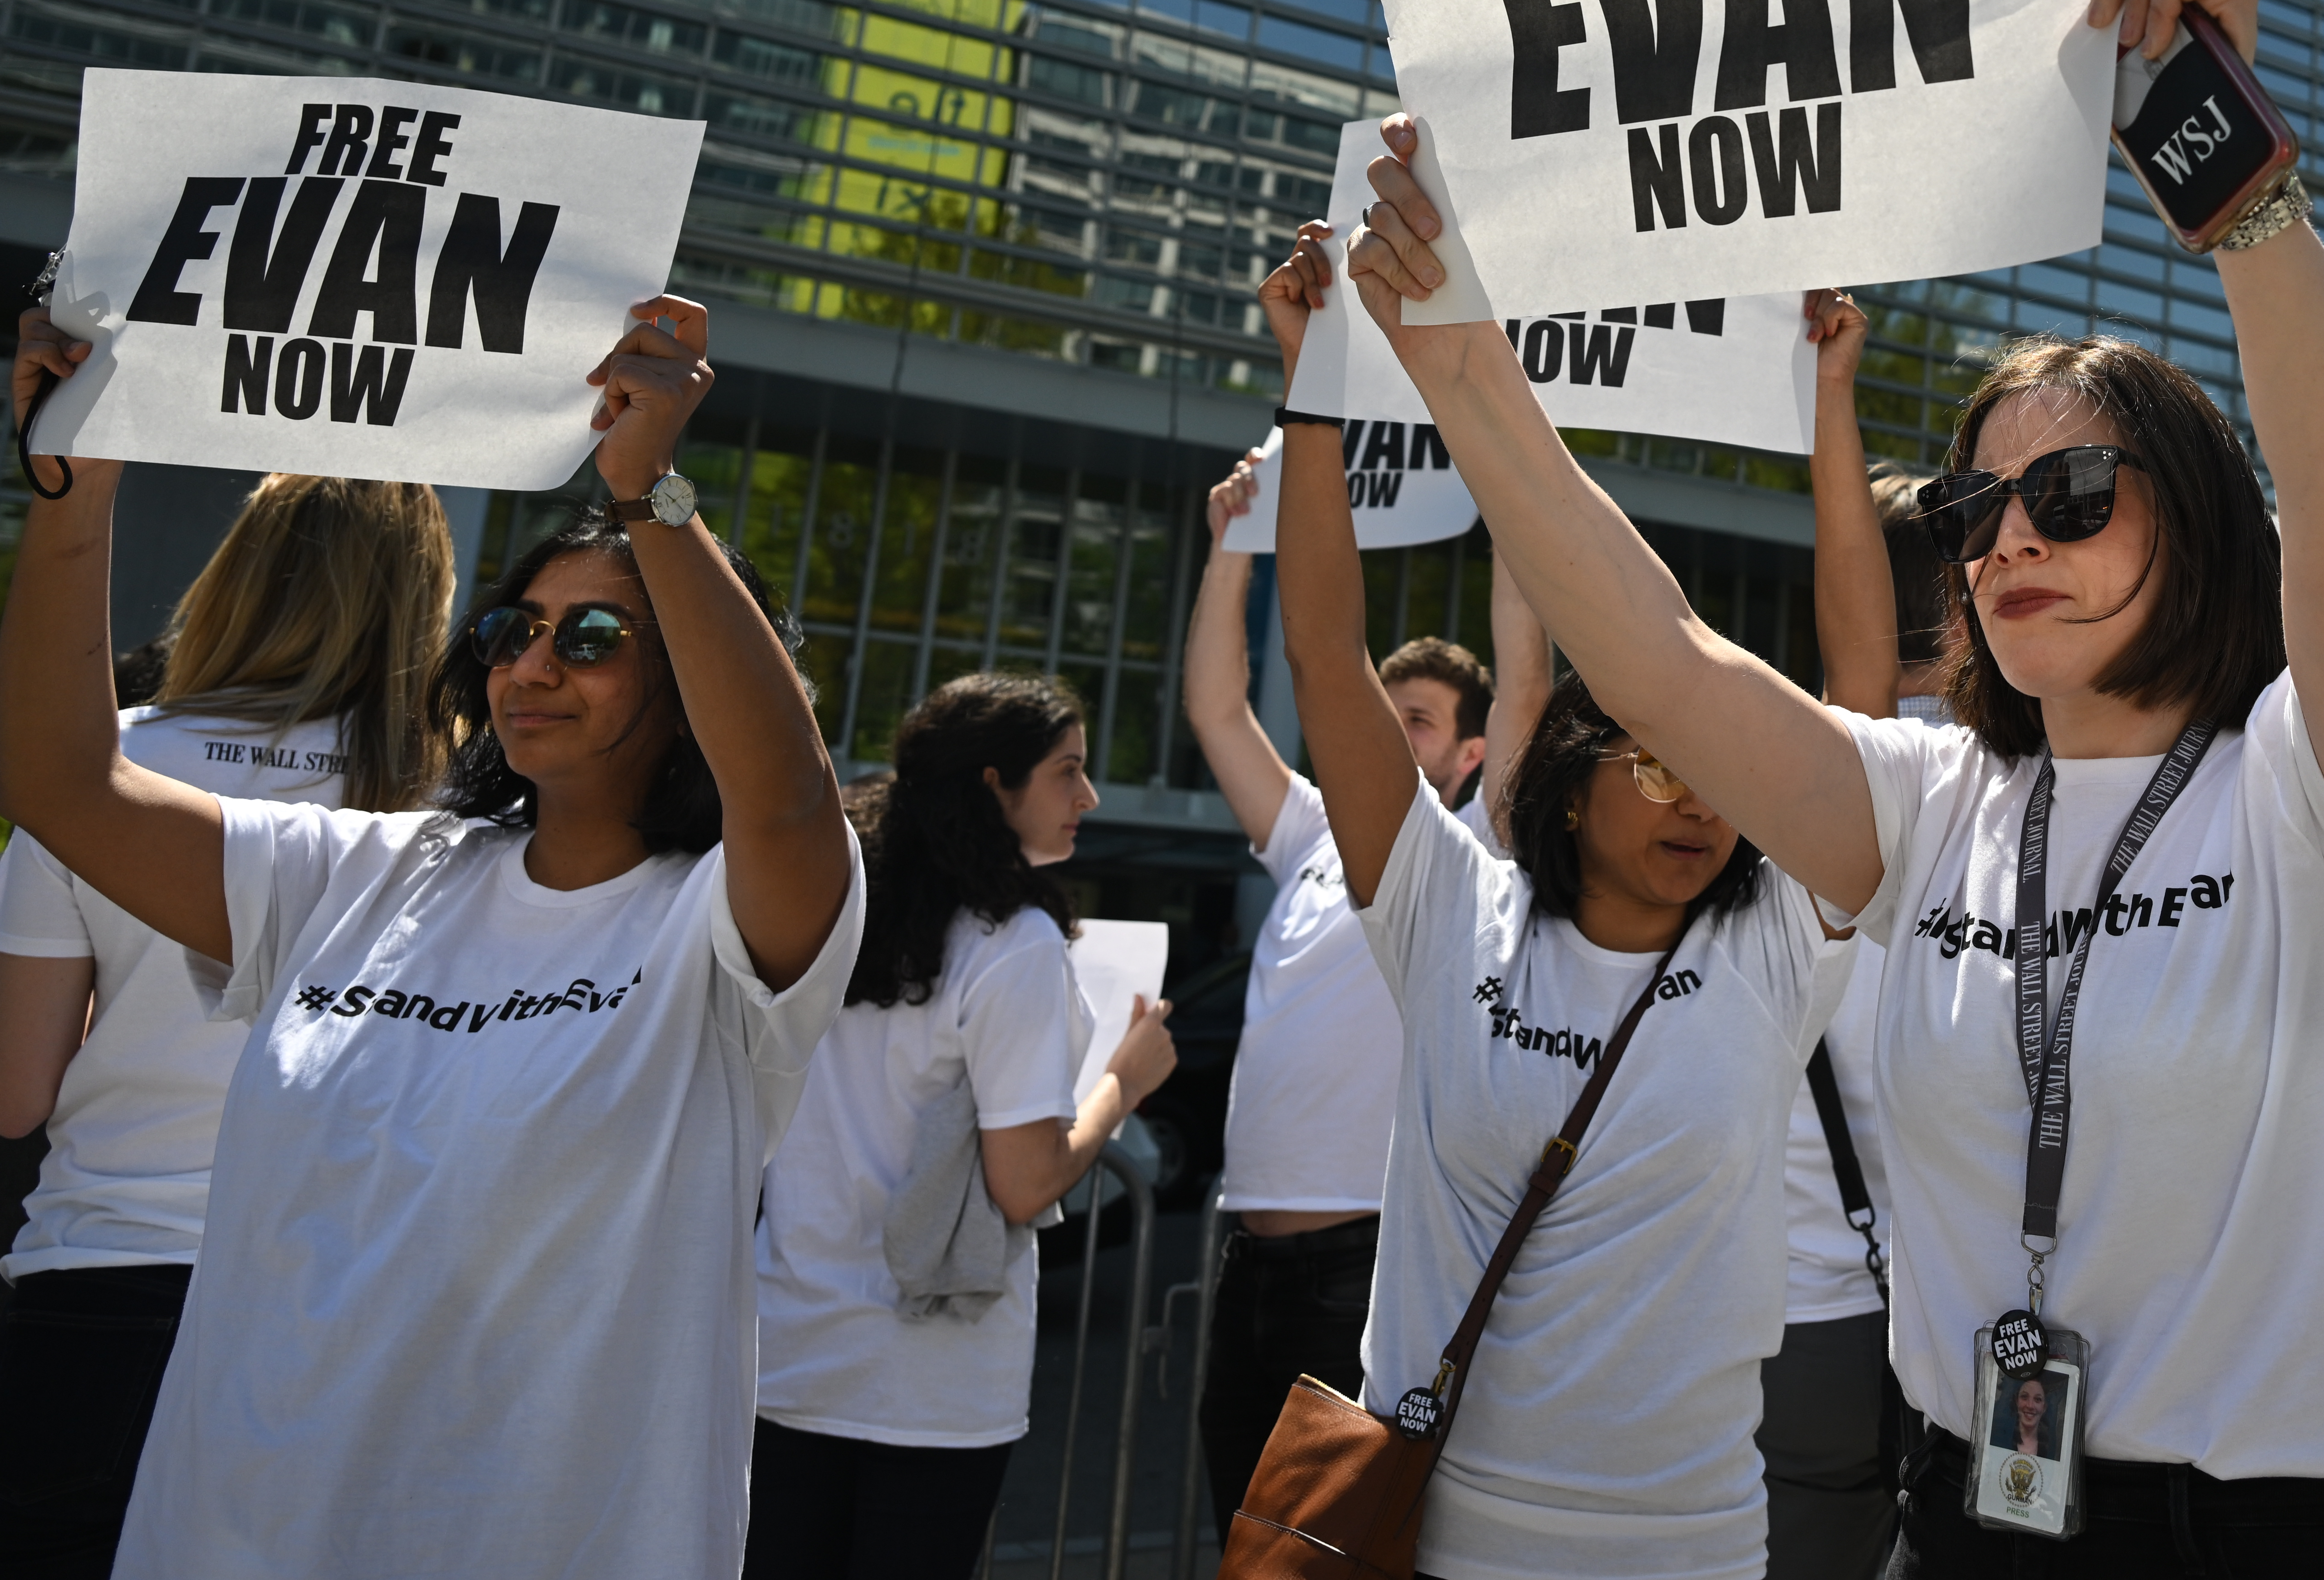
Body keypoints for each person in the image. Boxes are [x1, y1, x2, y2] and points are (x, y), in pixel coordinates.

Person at [1340, 0, 2324, 1578]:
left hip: (2300, 1538)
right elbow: (1664, 663)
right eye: (1975, 516)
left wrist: (2218, 157)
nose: (2012, 541)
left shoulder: (2308, 786)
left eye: (2067, 488)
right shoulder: (1936, 801)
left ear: (2193, 515)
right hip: (1970, 1516)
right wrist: (1462, 370)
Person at [0, 294, 862, 1578]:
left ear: (689, 688)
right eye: (513, 630)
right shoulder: (366, 872)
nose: (533, 664)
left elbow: (788, 794)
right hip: (234, 1534)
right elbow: (66, 784)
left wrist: (651, 497)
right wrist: (72, 497)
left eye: (595, 638)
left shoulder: (724, 924)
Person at [1256, 231, 1854, 1580]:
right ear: (1574, 788)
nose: (1700, 799)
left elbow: (1857, 678)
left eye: (1720, 771)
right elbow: (1320, 655)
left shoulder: (1774, 951)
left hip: (1691, 1548)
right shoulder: (1444, 908)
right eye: (1656, 762)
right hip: (1431, 1531)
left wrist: (1827, 400)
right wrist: (1314, 387)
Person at [0, 476, 456, 1577]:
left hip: (98, 1286)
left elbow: (17, 1087)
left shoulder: (97, 769)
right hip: (345, 1319)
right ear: (425, 602)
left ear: (234, 576)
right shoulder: (463, 804)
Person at [1179, 449, 1546, 1531]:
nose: (1387, 730)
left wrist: (1514, 502)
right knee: (1235, 1542)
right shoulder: (1305, 831)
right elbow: (1213, 702)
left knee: (1333, 1557)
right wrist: (1232, 545)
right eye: (1379, 708)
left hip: (1367, 1271)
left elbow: (1528, 682)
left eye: (1418, 720)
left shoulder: (1477, 842)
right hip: (1242, 1261)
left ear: (1473, 755)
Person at [745, 673, 1180, 1578]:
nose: (1088, 796)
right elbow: (1024, 1181)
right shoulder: (1011, 943)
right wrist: (1121, 1084)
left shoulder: (837, 910)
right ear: (994, 785)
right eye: (1067, 771)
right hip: (927, 1382)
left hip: (783, 1352)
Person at [1754, 294, 1921, 1580]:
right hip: (1855, 1317)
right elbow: (1859, 674)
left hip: (1887, 1313)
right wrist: (1826, 399)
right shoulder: (1882, 791)